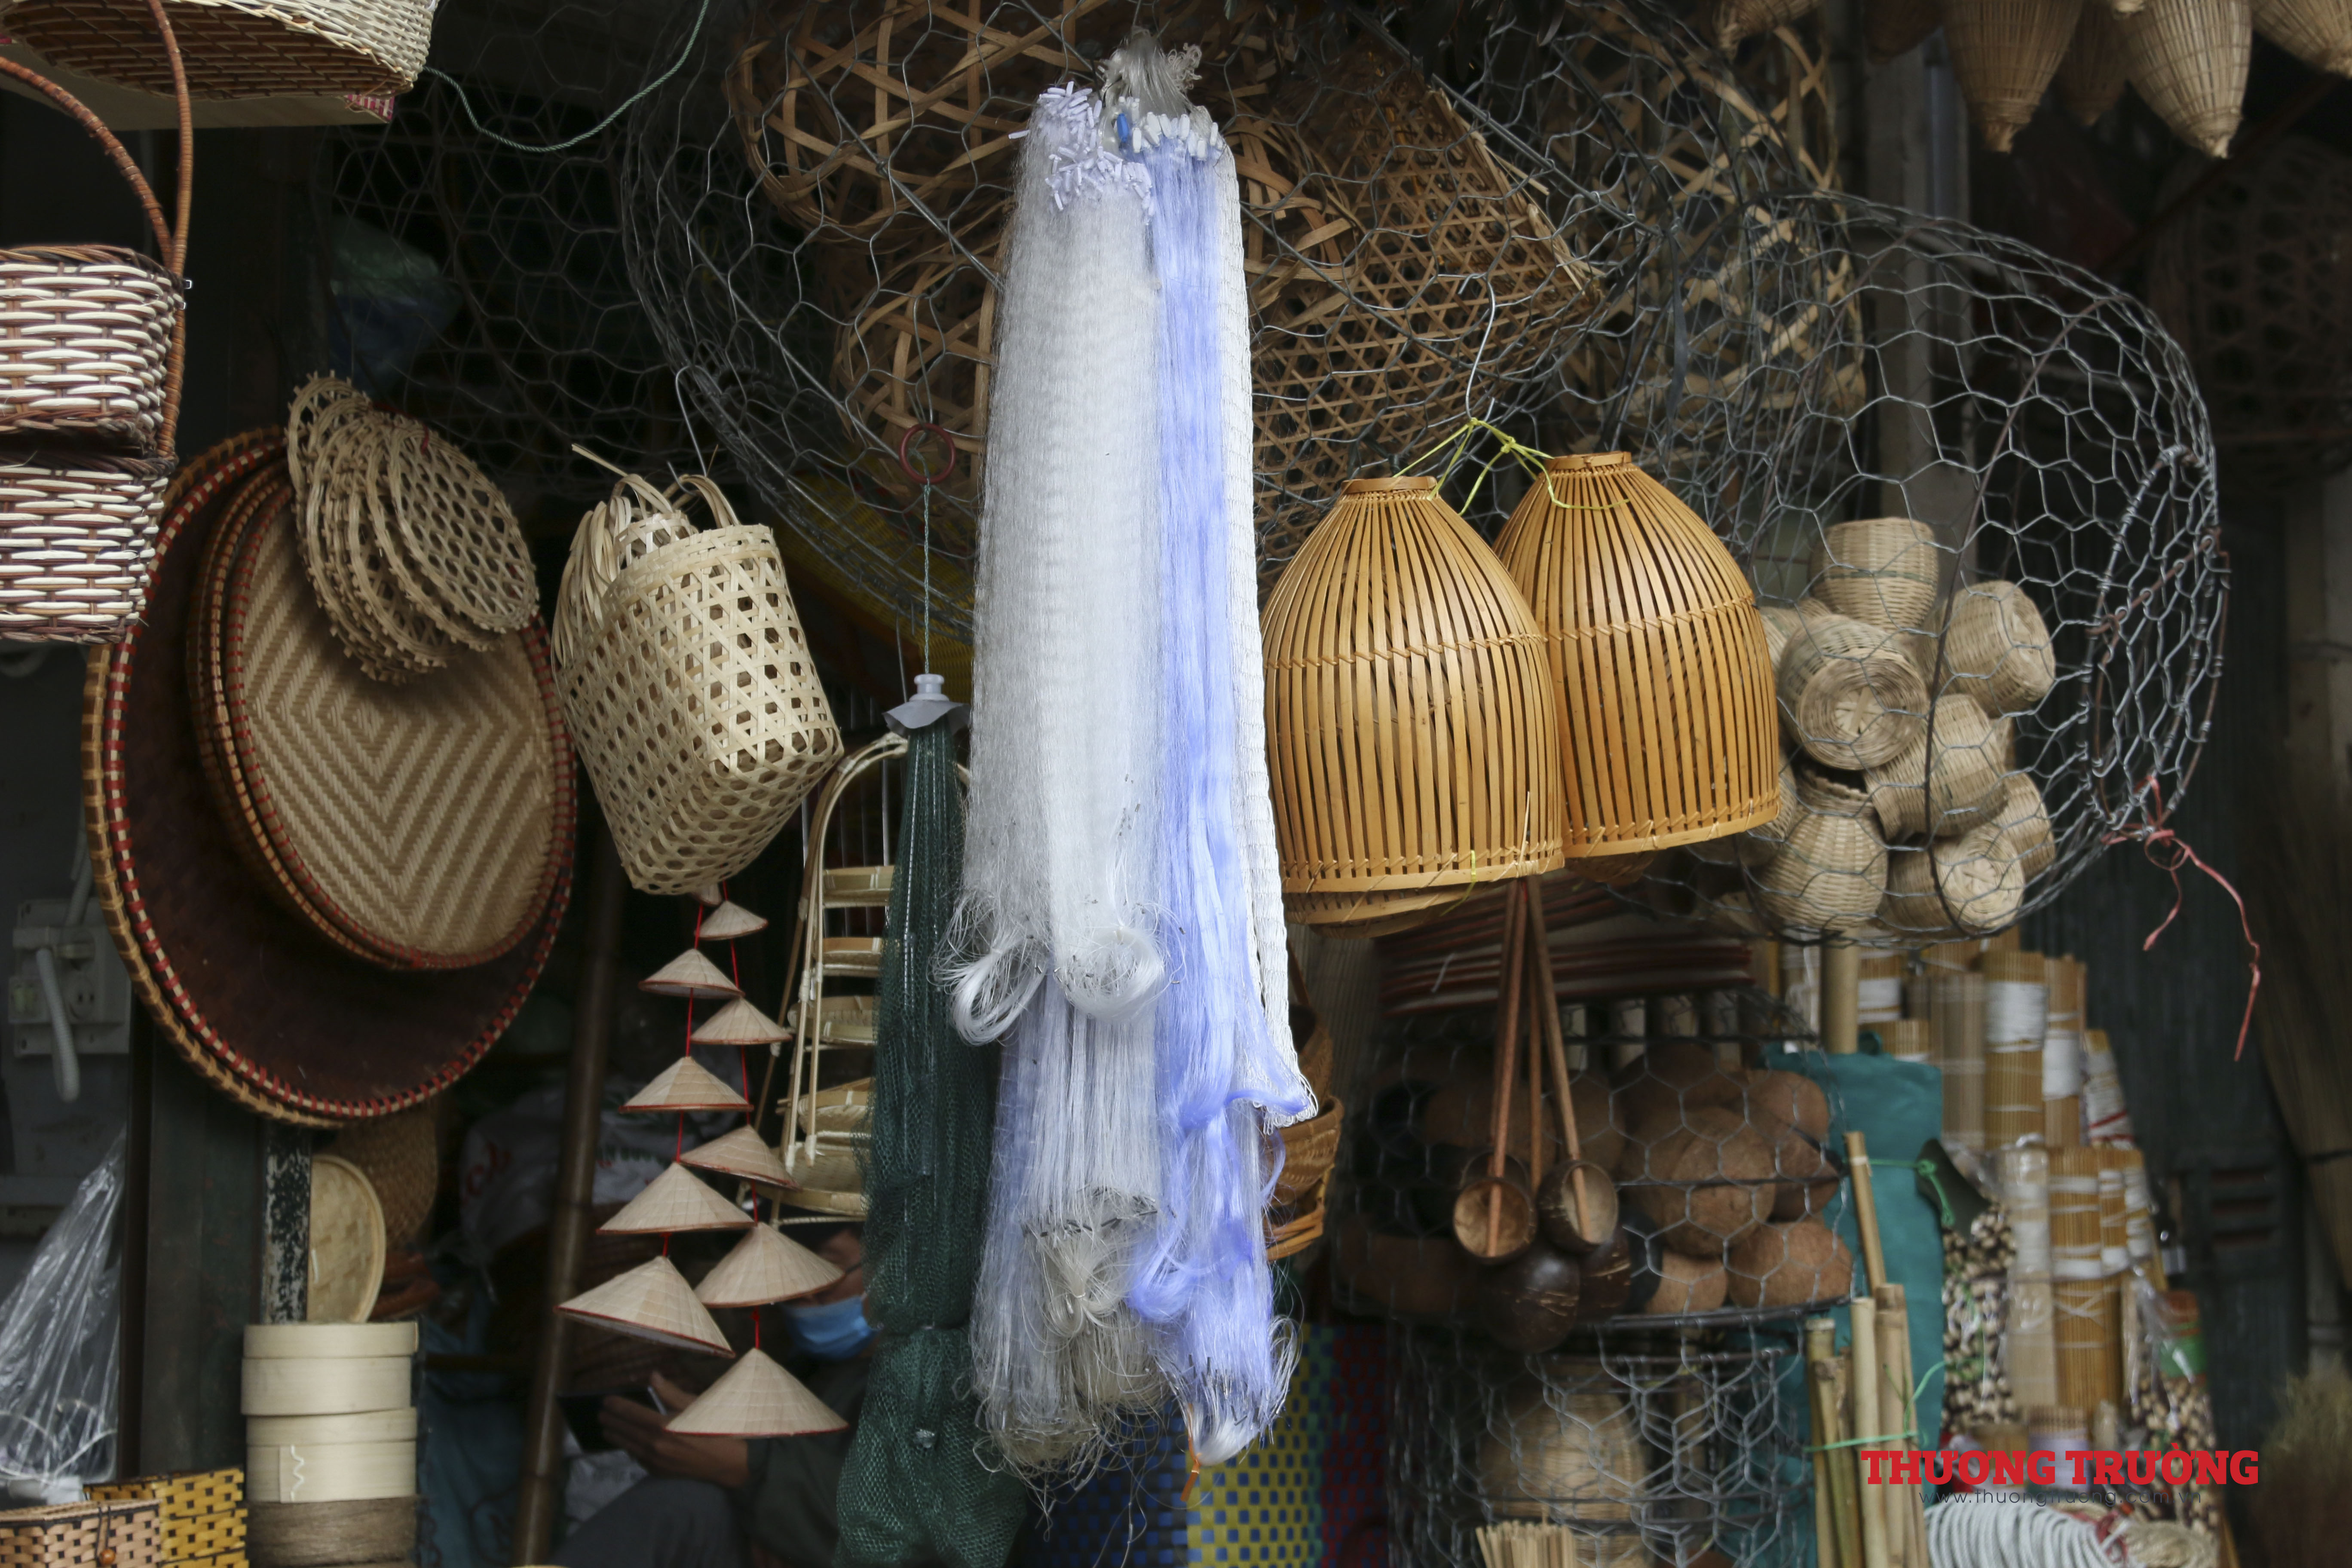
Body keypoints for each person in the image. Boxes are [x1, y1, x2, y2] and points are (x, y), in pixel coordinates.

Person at [550, 1225, 874, 1568]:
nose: (804, 1292)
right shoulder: (809, 1374)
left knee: (688, 1503)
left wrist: (745, 1465)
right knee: (688, 1502)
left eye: (825, 1268)